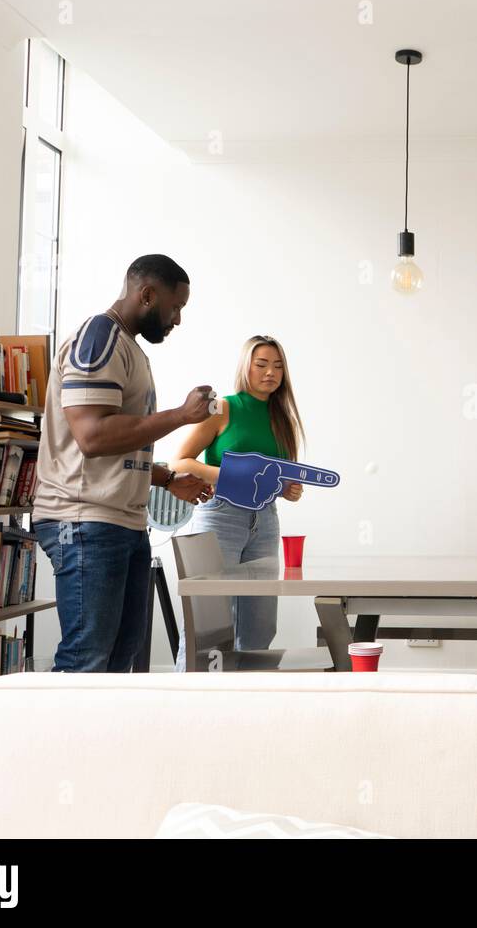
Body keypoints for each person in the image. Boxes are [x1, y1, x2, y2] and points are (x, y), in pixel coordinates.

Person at [33, 254, 214, 673]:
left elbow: (113, 450)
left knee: (119, 662)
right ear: (147, 295)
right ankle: (54, 740)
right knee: (87, 659)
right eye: (175, 307)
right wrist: (180, 416)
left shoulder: (127, 348)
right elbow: (93, 437)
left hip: (119, 524)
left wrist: (167, 479)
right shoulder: (100, 338)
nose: (178, 320)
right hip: (84, 521)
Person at [170, 335, 307, 669]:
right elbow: (179, 462)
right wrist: (228, 477)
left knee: (260, 626)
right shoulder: (224, 408)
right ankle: (185, 704)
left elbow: (279, 478)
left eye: (277, 366)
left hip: (264, 521)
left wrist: (289, 490)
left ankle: (247, 705)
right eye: (261, 364)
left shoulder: (284, 419)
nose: (270, 372)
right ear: (246, 366)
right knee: (207, 629)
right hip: (220, 518)